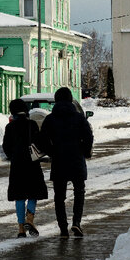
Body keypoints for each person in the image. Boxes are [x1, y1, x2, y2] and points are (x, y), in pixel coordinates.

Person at [38, 87, 94, 238]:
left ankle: (63, 229)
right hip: (76, 159)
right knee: (79, 192)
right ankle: (76, 222)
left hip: (59, 161)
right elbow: (88, 137)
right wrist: (84, 151)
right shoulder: (79, 118)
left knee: (59, 196)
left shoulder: (50, 119)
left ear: (56, 100)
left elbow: (42, 141)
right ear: (70, 100)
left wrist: (52, 152)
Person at [2, 98, 47, 237]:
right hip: (32, 164)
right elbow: (39, 142)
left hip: (17, 165)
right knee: (34, 192)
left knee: (19, 196)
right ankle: (30, 218)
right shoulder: (32, 124)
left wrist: (13, 156)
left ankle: (21, 228)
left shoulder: (10, 127)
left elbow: (6, 147)